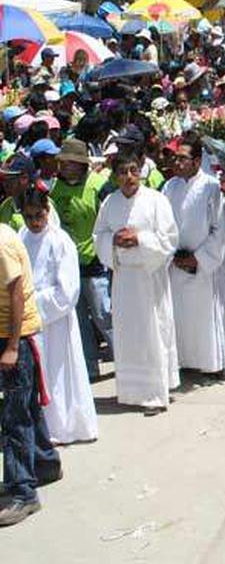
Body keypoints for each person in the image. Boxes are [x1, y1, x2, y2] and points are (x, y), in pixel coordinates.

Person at [93, 153, 180, 415]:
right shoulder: (110, 202)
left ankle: (154, 393)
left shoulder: (156, 200)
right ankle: (131, 391)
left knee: (152, 332)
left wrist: (139, 239)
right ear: (115, 175)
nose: (128, 177)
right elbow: (99, 234)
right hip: (124, 280)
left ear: (140, 171)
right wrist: (114, 242)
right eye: (122, 172)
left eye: (133, 171)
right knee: (128, 334)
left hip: (148, 277)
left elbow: (169, 239)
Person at [19, 187, 97, 445]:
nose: (34, 222)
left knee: (59, 373)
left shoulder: (60, 241)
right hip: (30, 321)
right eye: (28, 217)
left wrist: (33, 302)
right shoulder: (22, 237)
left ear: (47, 210)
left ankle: (64, 427)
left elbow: (68, 292)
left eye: (38, 216)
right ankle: (41, 427)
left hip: (55, 320)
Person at [0, 218, 61, 526]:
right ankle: (46, 464)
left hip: (13, 338)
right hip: (9, 336)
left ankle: (22, 492)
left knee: (13, 418)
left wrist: (11, 346)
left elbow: (15, 292)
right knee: (26, 407)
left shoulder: (2, 243)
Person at [162, 131, 225, 377]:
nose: (177, 163)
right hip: (175, 262)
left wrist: (199, 258)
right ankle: (184, 361)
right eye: (175, 158)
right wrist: (171, 254)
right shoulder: (169, 186)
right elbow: (162, 224)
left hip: (203, 265)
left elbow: (220, 229)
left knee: (204, 315)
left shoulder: (211, 187)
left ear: (196, 160)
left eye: (183, 158)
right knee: (180, 315)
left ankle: (211, 364)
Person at [48, 138, 112, 380]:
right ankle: (89, 367)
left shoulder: (99, 186)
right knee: (79, 321)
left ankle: (124, 358)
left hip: (94, 262)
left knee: (103, 315)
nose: (65, 167)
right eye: (62, 162)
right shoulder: (56, 189)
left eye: (70, 163)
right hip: (69, 266)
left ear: (81, 164)